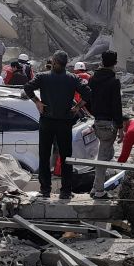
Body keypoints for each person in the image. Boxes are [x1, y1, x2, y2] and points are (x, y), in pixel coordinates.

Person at [24, 51, 91, 200]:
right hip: (65, 123)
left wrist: (37, 102)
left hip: (47, 122)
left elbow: (27, 87)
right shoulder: (72, 78)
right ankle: (65, 191)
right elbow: (88, 93)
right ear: (66, 63)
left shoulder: (43, 77)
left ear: (54, 61)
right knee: (66, 157)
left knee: (44, 156)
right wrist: (77, 107)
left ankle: (45, 190)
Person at [88, 50, 123, 199]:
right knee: (103, 157)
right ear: (115, 63)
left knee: (105, 153)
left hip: (98, 122)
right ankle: (99, 191)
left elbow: (87, 98)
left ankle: (95, 188)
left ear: (102, 61)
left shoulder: (92, 79)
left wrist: (94, 113)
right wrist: (120, 127)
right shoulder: (114, 82)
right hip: (109, 124)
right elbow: (117, 105)